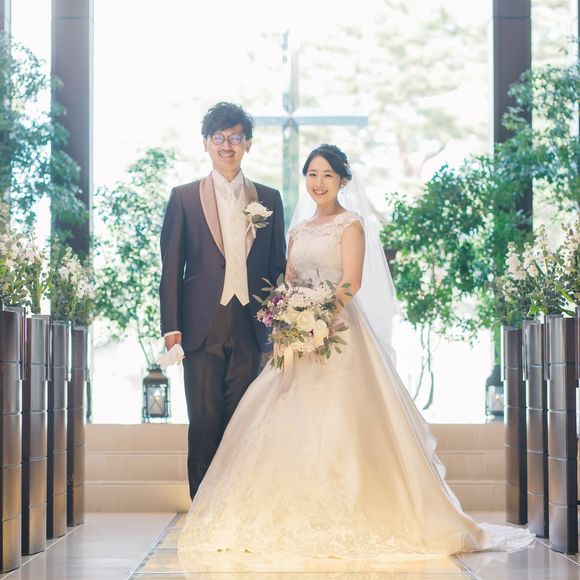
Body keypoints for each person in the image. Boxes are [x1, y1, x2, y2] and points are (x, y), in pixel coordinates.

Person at [177, 144, 534, 572]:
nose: (318, 183)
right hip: (299, 341)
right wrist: (290, 316)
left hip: (340, 334)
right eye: (312, 174)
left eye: (327, 175)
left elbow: (351, 282)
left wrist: (318, 318)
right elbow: (288, 279)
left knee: (342, 424)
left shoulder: (351, 225)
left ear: (343, 181)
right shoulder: (298, 230)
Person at [159, 102, 286, 500]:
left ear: (248, 144)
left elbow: (277, 266)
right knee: (203, 421)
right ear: (205, 144)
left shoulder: (269, 198)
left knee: (243, 421)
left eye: (235, 138)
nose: (227, 145)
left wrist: (278, 327)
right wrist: (171, 327)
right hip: (200, 324)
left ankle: (235, 508)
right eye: (219, 138)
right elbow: (171, 267)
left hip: (251, 324)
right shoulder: (183, 198)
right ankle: (202, 510)